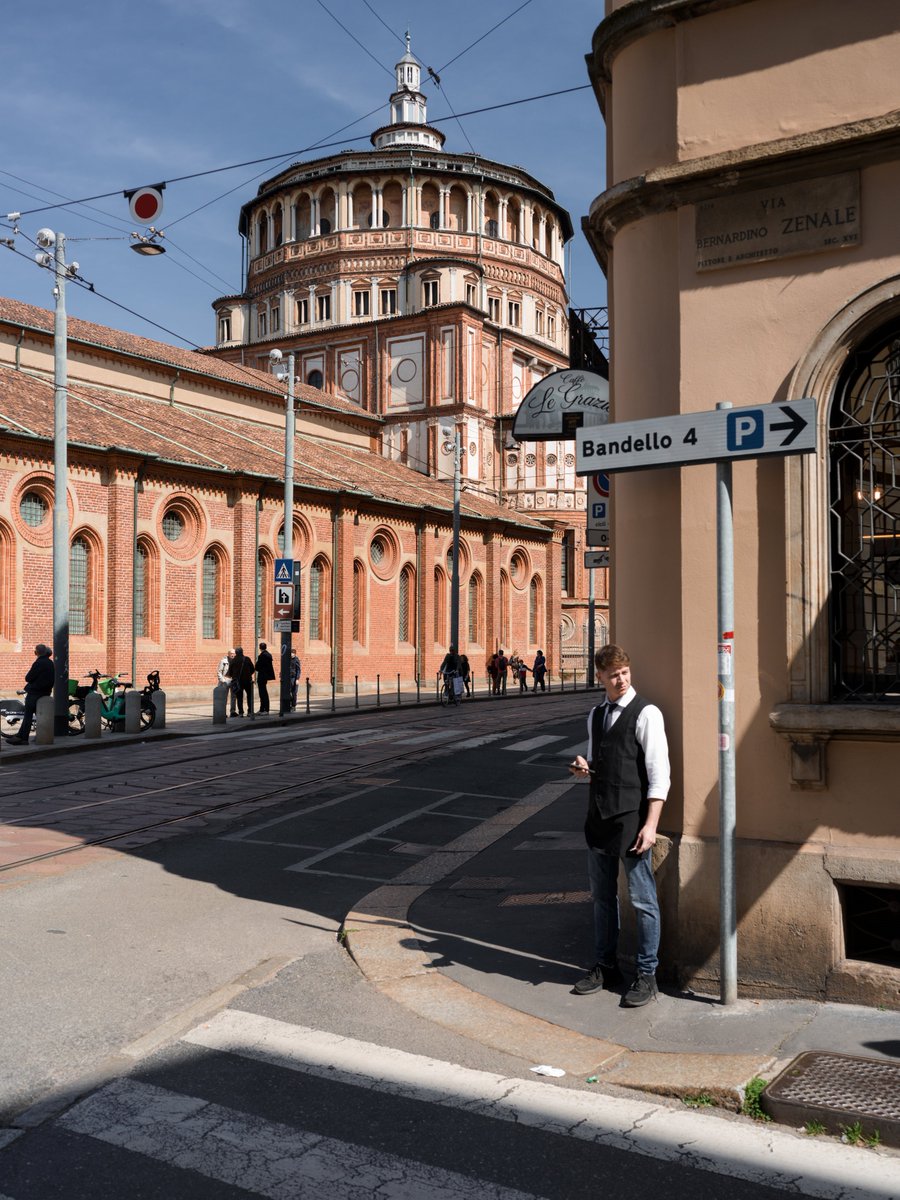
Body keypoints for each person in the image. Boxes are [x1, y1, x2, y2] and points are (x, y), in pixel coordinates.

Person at [568, 644, 670, 1008]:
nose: (621, 679)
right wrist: (584, 767)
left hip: (631, 821)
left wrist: (651, 825)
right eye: (613, 674)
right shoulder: (595, 715)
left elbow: (660, 776)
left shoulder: (647, 714)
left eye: (625, 672)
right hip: (598, 818)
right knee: (602, 899)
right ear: (600, 678)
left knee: (643, 901)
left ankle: (647, 974)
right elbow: (599, 761)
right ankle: (605, 966)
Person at [5, 644, 55, 745]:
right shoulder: (50, 663)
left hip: (35, 693)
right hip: (46, 692)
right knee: (38, 716)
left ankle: (23, 739)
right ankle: (20, 735)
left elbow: (28, 678)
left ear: (36, 652)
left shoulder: (39, 663)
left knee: (28, 715)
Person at [228, 646, 255, 718]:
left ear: (236, 653)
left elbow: (230, 673)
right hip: (247, 681)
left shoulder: (233, 660)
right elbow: (253, 669)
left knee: (239, 697)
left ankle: (241, 712)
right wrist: (248, 675)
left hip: (237, 682)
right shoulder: (247, 659)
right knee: (249, 696)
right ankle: (250, 712)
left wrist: (234, 676)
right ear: (242, 652)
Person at [255, 641, 275, 714]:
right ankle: (263, 709)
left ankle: (264, 709)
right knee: (264, 693)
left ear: (260, 648)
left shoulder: (262, 656)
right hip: (266, 676)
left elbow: (257, 667)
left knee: (262, 693)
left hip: (262, 676)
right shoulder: (268, 655)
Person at [217, 649, 236, 717]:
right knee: (224, 697)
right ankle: (223, 713)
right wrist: (223, 680)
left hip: (233, 680)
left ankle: (233, 711)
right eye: (231, 653)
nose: (233, 655)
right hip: (226, 679)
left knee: (233, 697)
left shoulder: (236, 661)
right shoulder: (223, 661)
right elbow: (219, 671)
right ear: (228, 654)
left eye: (234, 653)